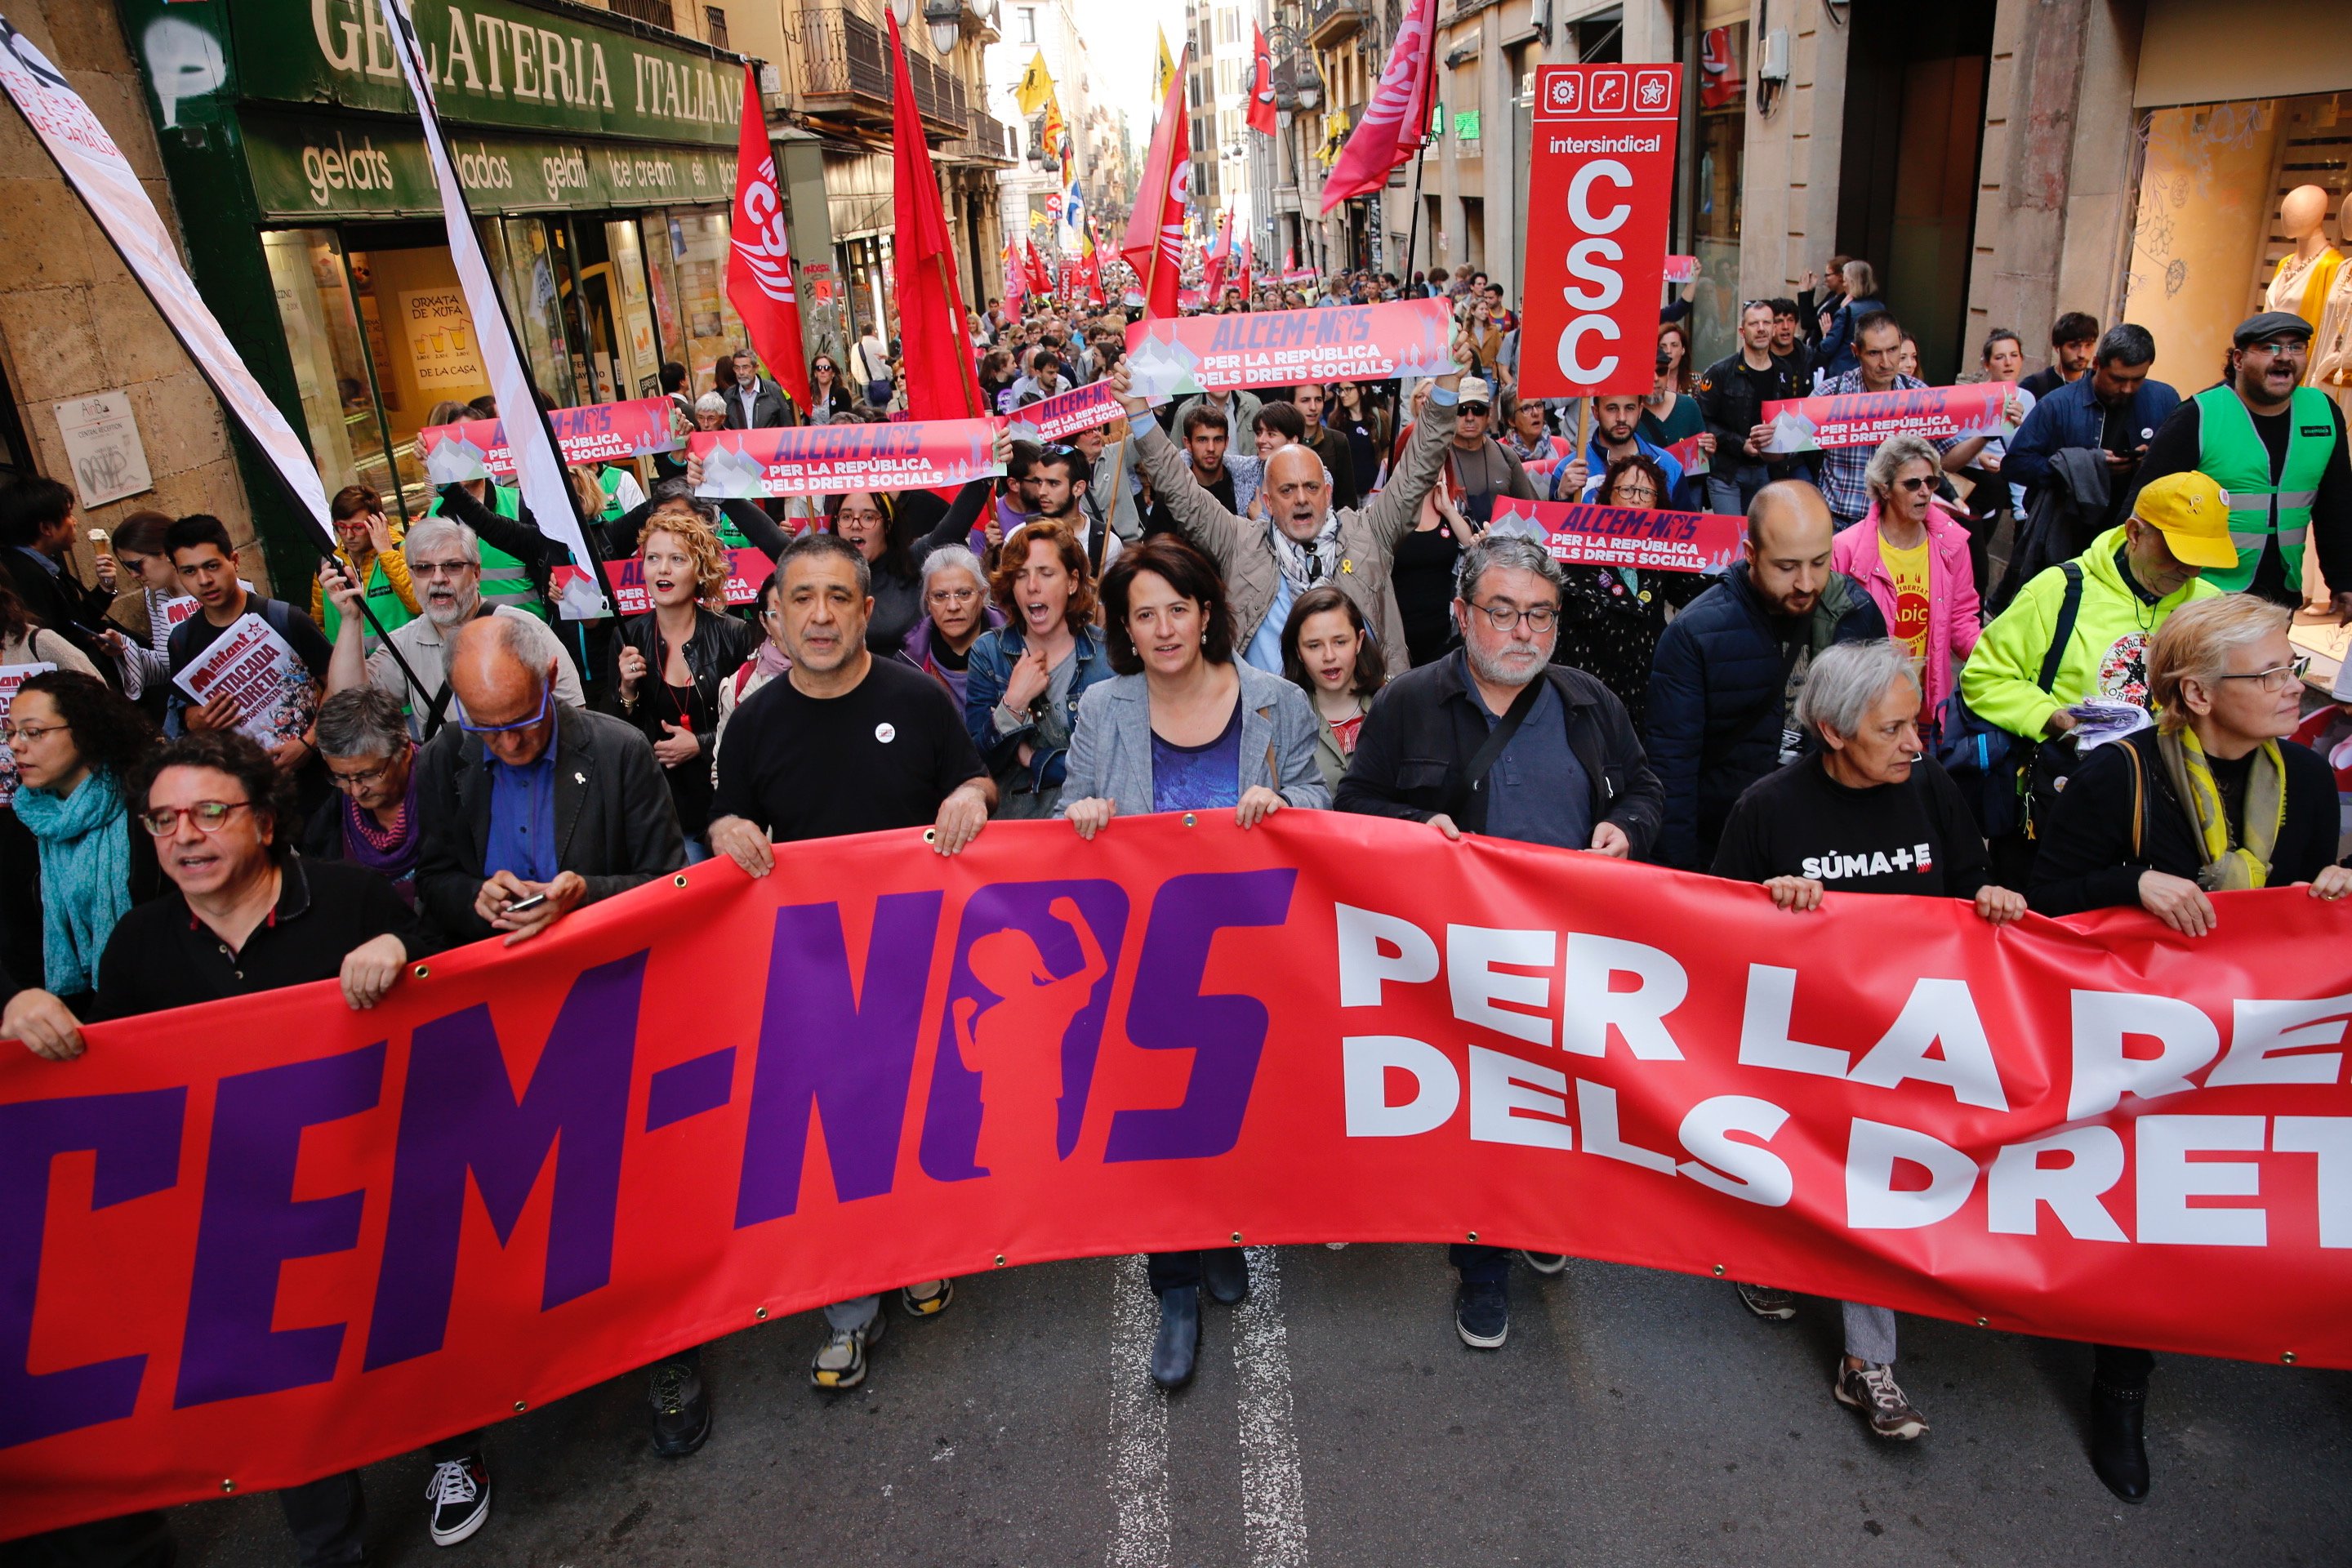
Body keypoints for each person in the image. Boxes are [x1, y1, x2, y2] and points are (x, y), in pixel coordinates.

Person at [24, 729, 467, 1565]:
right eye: (163, 821)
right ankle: (332, 1543)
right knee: (287, 1387)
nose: (184, 836)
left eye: (208, 813)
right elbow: (111, 1092)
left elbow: (452, 980)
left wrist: (401, 946)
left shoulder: (347, 898)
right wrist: (27, 1017)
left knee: (413, 1331)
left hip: (373, 1187)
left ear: (264, 823)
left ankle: (455, 1449)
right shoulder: (136, 949)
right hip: (238, 1216)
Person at [2028, 593, 2352, 1502]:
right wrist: (2133, 883)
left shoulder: (2311, 780)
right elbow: (2044, 902)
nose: (2295, 687)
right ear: (2200, 695)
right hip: (2135, 1048)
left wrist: (2331, 887)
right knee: (2143, 1210)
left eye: (2291, 667)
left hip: (2250, 1046)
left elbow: (2297, 909)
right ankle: (2121, 1390)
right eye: (2272, 674)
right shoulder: (2118, 777)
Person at [1336, 533, 1661, 1343]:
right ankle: (1480, 1265)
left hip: (1569, 953)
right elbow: (1353, 806)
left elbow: (1648, 785)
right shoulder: (1411, 702)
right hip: (1456, 964)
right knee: (1481, 1120)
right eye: (1504, 612)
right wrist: (1418, 827)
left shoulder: (1590, 702)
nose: (1524, 632)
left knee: (1557, 1106)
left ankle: (1542, 1225)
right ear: (1461, 613)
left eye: (1542, 616)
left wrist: (1626, 826)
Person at [1710, 639, 2029, 1443]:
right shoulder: (1769, 810)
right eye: (1892, 730)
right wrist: (1766, 904)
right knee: (1801, 1173)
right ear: (1832, 732)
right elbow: (1708, 935)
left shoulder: (1928, 787)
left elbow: (1966, 883)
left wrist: (1989, 896)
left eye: (1915, 724)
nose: (1916, 744)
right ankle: (1767, 1254)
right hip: (1801, 1046)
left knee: (1871, 1187)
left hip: (1905, 1046)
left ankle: (1866, 1361)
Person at [707, 532, 991, 1391]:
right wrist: (725, 830)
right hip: (809, 976)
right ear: (775, 616)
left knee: (912, 1121)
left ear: (870, 611)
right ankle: (846, 1307)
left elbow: (976, 783)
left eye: (839, 598)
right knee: (832, 1145)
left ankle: (919, 1251)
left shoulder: (919, 700)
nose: (821, 616)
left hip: (915, 964)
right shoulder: (753, 720)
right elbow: (727, 820)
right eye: (803, 599)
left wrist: (967, 799)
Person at [1056, 534, 1326, 1388]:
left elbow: (1325, 796)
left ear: (1208, 613)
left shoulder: (1278, 700)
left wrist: (1284, 802)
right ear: (1125, 631)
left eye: (1179, 608)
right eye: (1145, 615)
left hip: (1254, 957)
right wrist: (1087, 814)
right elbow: (1069, 807)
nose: (1165, 628)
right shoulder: (1103, 708)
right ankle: (1173, 1285)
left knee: (1237, 1111)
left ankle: (1226, 1230)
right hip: (1143, 957)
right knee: (1158, 1126)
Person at [1116, 344, 1466, 680]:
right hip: (1272, 725)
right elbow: (1181, 491)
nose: (1301, 499)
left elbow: (1418, 467)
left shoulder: (1368, 533)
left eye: (1311, 487)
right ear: (1267, 502)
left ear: (1327, 493)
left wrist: (1447, 389)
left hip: (1367, 718)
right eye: (1287, 490)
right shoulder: (1239, 542)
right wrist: (1137, 411)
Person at [1958, 470, 2230, 878]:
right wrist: (2054, 720)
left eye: (2200, 557)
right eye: (2176, 553)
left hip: (2168, 807)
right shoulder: (2059, 590)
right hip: (2065, 799)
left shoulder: (2211, 609)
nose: (2190, 571)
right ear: (2135, 533)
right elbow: (1984, 676)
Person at [1646, 481, 1887, 870]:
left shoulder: (1856, 614)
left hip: (1827, 849)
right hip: (1728, 850)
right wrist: (1681, 881)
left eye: (1820, 562)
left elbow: (1876, 735)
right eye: (1787, 566)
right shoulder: (1695, 634)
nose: (1806, 583)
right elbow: (1672, 772)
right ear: (1752, 555)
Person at [2130, 310, 2352, 607]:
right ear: (2238, 360)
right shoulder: (2198, 415)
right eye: (2269, 347)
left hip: (2280, 594)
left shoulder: (2323, 412)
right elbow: (2144, 505)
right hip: (2204, 594)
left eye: (2295, 347)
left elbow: (2336, 506)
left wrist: (2343, 580)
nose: (2284, 356)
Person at [323, 515, 586, 742]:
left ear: (476, 573)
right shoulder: (404, 644)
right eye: (424, 568)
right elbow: (351, 703)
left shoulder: (525, 630)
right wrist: (350, 619)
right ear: (412, 576)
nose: (438, 578)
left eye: (452, 566)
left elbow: (576, 719)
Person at [611, 508, 760, 852]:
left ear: (700, 569)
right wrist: (627, 691)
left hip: (722, 804)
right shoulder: (628, 637)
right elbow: (618, 733)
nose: (663, 569)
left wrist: (701, 743)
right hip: (660, 807)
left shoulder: (734, 634)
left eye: (677, 558)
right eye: (653, 558)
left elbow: (752, 722)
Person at [7, 670, 156, 1013]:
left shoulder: (148, 804)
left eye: (34, 732)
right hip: (63, 1012)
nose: (15, 745)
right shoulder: (22, 821)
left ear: (85, 730)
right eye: (11, 732)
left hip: (156, 1000)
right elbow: (19, 942)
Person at [1829, 434, 1983, 736]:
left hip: (1925, 705)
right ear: (1884, 489)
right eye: (1912, 484)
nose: (1924, 492)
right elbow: (1831, 636)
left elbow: (1962, 621)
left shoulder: (1952, 545)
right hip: (1864, 702)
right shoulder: (1845, 549)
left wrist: (1999, 657)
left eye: (1931, 482)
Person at [1544, 455, 1708, 729]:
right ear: (1608, 497)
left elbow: (1695, 594)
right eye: (1627, 490)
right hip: (1586, 690)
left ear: (1658, 503)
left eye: (1646, 492)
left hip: (1643, 691)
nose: (1635, 499)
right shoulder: (1578, 548)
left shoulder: (1664, 555)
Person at [964, 521, 1114, 817]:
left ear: (1072, 582)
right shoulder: (989, 653)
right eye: (1021, 576)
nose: (1033, 586)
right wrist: (1013, 704)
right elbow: (976, 766)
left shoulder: (1107, 653)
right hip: (1018, 830)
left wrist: (1033, 758)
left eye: (1046, 574)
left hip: (1091, 824)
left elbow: (1113, 763)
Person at [163, 516, 329, 778]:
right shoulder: (181, 641)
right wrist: (198, 722)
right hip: (251, 786)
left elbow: (339, 683)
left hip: (319, 777)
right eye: (190, 571)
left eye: (212, 566)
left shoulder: (285, 619)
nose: (204, 580)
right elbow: (187, 711)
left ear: (235, 561)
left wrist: (309, 742)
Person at [2002, 323, 2178, 518]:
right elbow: (2015, 465)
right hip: (2069, 527)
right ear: (2096, 365)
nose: (2127, 388)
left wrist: (2150, 459)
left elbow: (2180, 464)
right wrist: (2080, 465)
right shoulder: (2057, 404)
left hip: (2132, 525)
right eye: (2118, 379)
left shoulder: (2164, 399)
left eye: (2138, 379)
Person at [1813, 313, 1962, 530]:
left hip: (1898, 524)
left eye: (1892, 350)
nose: (1885, 362)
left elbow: (1948, 459)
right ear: (1856, 351)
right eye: (1874, 353)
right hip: (1839, 523)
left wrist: (1988, 434)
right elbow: (1783, 450)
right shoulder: (1832, 394)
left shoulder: (1920, 396)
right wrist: (1767, 440)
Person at [304, 687, 422, 905]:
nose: (356, 791)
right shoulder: (325, 829)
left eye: (367, 775)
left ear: (404, 751)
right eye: (340, 777)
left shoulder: (450, 787)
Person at [1942, 327, 2038, 593]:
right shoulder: (1969, 399)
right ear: (1986, 363)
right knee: (1975, 568)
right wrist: (1980, 454)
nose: (2008, 362)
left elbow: (2027, 450)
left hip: (2003, 487)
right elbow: (1950, 451)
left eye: (2014, 355)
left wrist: (2021, 509)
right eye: (2000, 357)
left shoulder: (2027, 399)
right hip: (1970, 488)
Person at [1698, 300, 1810, 513]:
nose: (1761, 329)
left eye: (1766, 322)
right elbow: (1703, 420)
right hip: (1727, 472)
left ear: (1773, 328)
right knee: (1732, 539)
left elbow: (1793, 418)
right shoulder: (1720, 372)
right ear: (1742, 331)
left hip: (1768, 471)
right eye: (1754, 324)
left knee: (1759, 539)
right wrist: (1741, 444)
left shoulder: (1785, 371)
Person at [0, 475, 117, 668]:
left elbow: (75, 620)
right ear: (46, 528)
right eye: (69, 514)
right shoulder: (25, 576)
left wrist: (105, 588)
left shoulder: (41, 563)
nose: (75, 522)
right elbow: (57, 639)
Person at [1281, 584, 1384, 792]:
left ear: (1359, 641)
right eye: (1314, 646)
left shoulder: (1394, 703)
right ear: (1298, 652)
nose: (1329, 656)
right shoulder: (1283, 718)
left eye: (1340, 642)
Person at [309, 485, 417, 663]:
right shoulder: (327, 563)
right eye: (341, 527)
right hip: (350, 666)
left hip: (404, 663)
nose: (349, 535)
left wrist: (386, 553)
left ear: (377, 523)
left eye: (358, 527)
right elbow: (318, 623)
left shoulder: (403, 551)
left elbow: (417, 604)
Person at [902, 543, 1004, 707]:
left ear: (983, 596)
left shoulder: (1018, 644)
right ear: (928, 601)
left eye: (964, 594)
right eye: (940, 596)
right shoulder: (911, 663)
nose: (953, 606)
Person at [100, 510, 184, 707]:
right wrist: (124, 649)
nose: (133, 575)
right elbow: (167, 668)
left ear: (166, 552)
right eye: (127, 567)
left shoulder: (209, 589)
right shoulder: (154, 594)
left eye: (136, 565)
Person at [1145, 404, 1262, 532]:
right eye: (1202, 440)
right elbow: (1154, 547)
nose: (1211, 448)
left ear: (1226, 442)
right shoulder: (1172, 492)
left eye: (1217, 439)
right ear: (1188, 443)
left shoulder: (1244, 490)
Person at [1564, 390, 1683, 504]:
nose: (1621, 418)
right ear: (1596, 412)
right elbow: (1554, 523)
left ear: (1640, 410)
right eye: (1612, 409)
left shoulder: (1669, 466)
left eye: (1630, 408)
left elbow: (1685, 523)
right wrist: (1561, 496)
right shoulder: (1568, 470)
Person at [1815, 259, 1887, 380]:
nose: (1844, 285)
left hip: (1844, 373)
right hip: (1872, 371)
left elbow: (1828, 347)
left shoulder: (1847, 311)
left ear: (1852, 282)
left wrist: (1825, 335)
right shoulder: (1880, 307)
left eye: (1845, 281)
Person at [2020, 310, 2100, 400]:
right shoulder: (2035, 386)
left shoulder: (2098, 382)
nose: (2082, 354)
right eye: (2074, 346)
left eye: (2088, 345)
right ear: (2057, 347)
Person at [724, 349, 796, 429]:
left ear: (756, 368)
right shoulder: (729, 395)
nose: (741, 372)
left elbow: (787, 424)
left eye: (745, 367)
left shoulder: (773, 390)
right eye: (737, 368)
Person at [806, 353, 858, 423]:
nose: (822, 371)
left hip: (835, 433)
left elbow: (847, 422)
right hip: (812, 433)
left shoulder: (841, 393)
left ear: (833, 373)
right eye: (819, 368)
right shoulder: (809, 393)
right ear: (815, 373)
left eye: (826, 368)